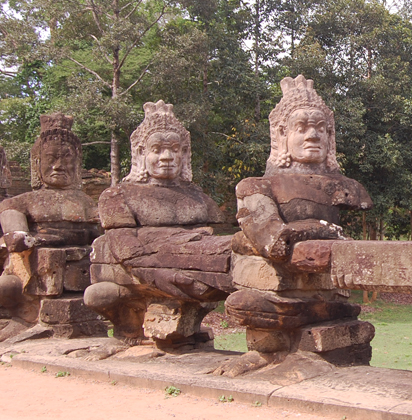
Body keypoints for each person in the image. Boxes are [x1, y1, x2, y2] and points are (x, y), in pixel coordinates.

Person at [220, 75, 372, 375]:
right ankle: (271, 351)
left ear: (331, 136)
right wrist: (325, 229)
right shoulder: (255, 187)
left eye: (320, 128)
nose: (312, 136)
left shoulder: (348, 188)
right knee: (244, 304)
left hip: (327, 293)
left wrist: (308, 229)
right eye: (301, 128)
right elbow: (275, 243)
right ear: (280, 136)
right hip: (277, 290)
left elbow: (287, 237)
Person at [85, 101, 231, 348]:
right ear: (141, 153)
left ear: (184, 153)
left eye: (174, 149)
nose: (167, 157)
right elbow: (127, 251)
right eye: (157, 149)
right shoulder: (118, 196)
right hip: (147, 270)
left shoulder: (197, 198)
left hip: (200, 260)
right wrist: (162, 275)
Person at [0, 113, 101, 333]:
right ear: (37, 163)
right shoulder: (26, 200)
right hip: (34, 271)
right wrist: (18, 233)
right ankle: (22, 318)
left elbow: (99, 232)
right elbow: (10, 216)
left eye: (66, 158)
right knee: (5, 287)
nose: (58, 166)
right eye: (51, 158)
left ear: (76, 163)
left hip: (82, 269)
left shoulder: (85, 201)